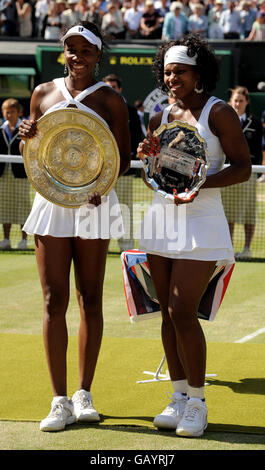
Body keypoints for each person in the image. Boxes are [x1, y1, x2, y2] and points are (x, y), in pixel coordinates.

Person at [18, 21, 131, 432]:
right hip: (51, 201)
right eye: (71, 49)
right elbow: (36, 148)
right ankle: (59, 400)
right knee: (53, 299)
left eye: (86, 50)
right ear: (63, 52)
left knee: (90, 297)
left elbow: (120, 157)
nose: (77, 56)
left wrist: (103, 184)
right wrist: (25, 132)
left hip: (94, 204)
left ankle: (84, 393)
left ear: (99, 55)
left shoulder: (111, 100)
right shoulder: (43, 92)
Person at [137, 35, 251, 438]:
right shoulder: (160, 115)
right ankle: (178, 395)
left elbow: (243, 167)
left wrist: (201, 186)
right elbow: (158, 168)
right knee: (166, 311)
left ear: (198, 72)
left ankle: (198, 402)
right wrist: (148, 158)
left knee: (183, 311)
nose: (171, 78)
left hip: (202, 219)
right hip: (161, 219)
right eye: (167, 72)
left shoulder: (219, 112)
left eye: (179, 72)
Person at [102, 73, 143, 251]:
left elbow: (135, 137)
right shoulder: (95, 110)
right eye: (107, 87)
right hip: (99, 170)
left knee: (124, 207)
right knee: (98, 208)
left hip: (123, 169)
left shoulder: (131, 111)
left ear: (120, 89)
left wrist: (127, 159)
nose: (111, 90)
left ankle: (126, 245)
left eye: (114, 87)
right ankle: (97, 244)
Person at [221, 86, 263, 259]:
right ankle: (229, 248)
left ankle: (247, 249)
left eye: (241, 101)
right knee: (228, 213)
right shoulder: (223, 121)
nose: (237, 104)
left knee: (248, 213)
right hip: (227, 172)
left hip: (248, 173)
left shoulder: (255, 123)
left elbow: (257, 150)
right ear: (231, 102)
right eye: (235, 100)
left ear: (247, 102)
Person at [0, 98, 30, 250]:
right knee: (5, 206)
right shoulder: (1, 129)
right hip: (3, 174)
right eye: (6, 111)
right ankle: (5, 239)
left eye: (12, 112)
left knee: (22, 206)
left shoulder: (26, 129)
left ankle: (24, 240)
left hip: (21, 174)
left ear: (19, 112)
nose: (9, 114)